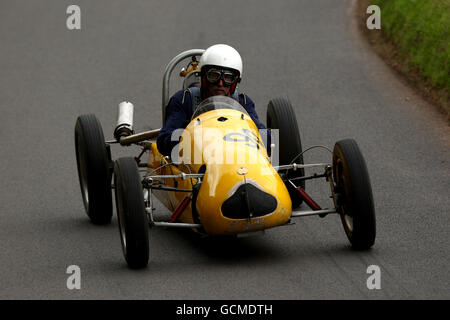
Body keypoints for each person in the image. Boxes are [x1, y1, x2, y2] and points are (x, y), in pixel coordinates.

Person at [156, 44, 268, 157]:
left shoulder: (243, 102)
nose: (220, 83)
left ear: (234, 82)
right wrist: (191, 138)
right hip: (196, 164)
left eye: (228, 78)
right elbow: (164, 140)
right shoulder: (185, 99)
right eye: (214, 76)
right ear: (204, 77)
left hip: (236, 159)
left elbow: (266, 137)